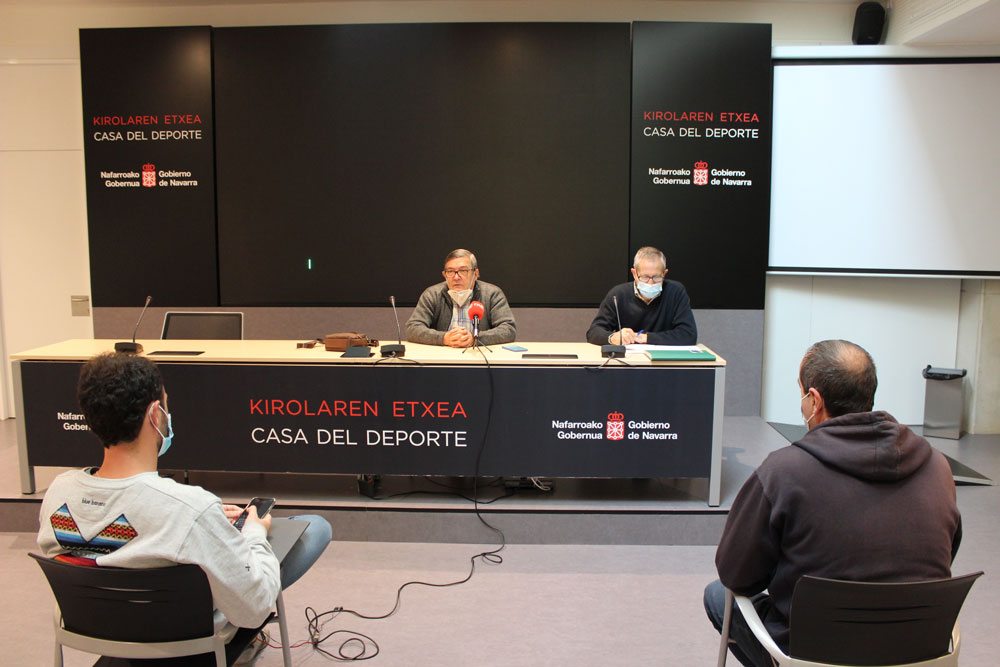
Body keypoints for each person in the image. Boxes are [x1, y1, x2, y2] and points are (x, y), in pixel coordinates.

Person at [704, 340, 962, 667]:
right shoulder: (938, 467)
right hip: (919, 653)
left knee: (717, 595)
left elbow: (736, 574)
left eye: (801, 393)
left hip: (815, 656)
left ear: (815, 401)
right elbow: (946, 551)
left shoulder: (782, 472)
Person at [37, 352, 332, 631]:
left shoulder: (58, 492)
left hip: (94, 625)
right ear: (155, 414)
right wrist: (253, 532)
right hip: (183, 634)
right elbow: (254, 609)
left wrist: (212, 523)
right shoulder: (190, 506)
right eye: (166, 405)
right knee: (314, 529)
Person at [405, 248, 516, 348]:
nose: (456, 277)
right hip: (443, 355)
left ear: (475, 274)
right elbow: (413, 328)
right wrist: (443, 338)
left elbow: (508, 329)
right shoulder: (432, 294)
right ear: (444, 274)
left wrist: (475, 338)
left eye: (463, 271)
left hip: (478, 355)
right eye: (451, 271)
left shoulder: (492, 293)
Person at [585, 246, 696, 346]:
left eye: (657, 277)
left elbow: (688, 335)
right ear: (634, 273)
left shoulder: (675, 292)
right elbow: (594, 332)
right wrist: (612, 338)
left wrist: (646, 338)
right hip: (628, 361)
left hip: (663, 363)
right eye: (644, 277)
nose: (650, 283)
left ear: (664, 274)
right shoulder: (618, 294)